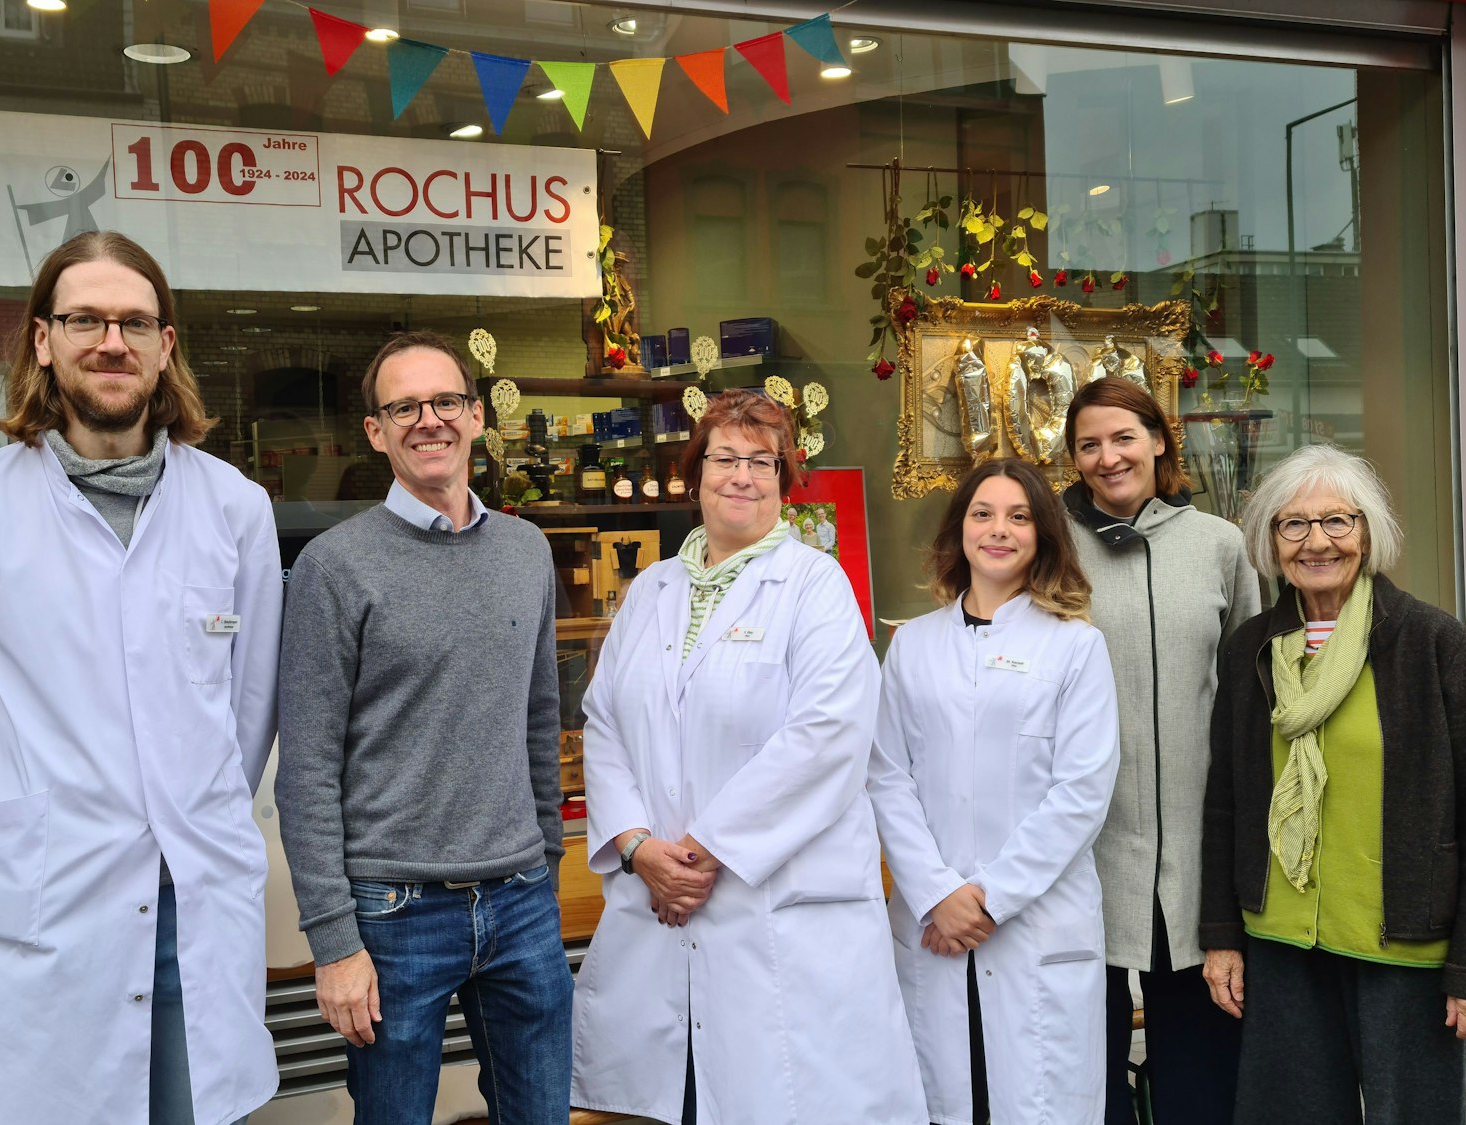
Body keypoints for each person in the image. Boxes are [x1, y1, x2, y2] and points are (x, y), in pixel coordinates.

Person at [0, 231, 284, 1125]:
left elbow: (250, 710)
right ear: (43, 339)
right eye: (85, 319)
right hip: (38, 901)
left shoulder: (236, 507)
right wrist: (17, 826)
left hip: (189, 900)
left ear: (165, 347)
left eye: (135, 322)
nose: (111, 342)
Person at [571, 388, 928, 1125]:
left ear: (782, 478)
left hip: (778, 919)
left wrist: (697, 855)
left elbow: (826, 735)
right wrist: (639, 848)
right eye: (724, 457)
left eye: (761, 461)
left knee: (782, 1101)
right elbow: (602, 723)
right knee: (681, 1100)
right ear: (694, 474)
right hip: (661, 909)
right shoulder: (650, 590)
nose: (742, 475)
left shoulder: (816, 587)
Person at [275, 330, 569, 1124]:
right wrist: (334, 940)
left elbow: (540, 717)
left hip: (520, 900)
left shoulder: (526, 550)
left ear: (476, 417)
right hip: (393, 911)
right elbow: (305, 767)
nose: (427, 420)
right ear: (375, 431)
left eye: (444, 402)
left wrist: (545, 855)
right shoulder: (335, 567)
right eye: (403, 406)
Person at [1199, 444, 1466, 1124]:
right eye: (1293, 524)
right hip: (1282, 945)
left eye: (1338, 521)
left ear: (1368, 533)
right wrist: (1221, 933)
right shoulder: (1251, 646)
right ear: (1270, 540)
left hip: (1404, 944)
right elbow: (1226, 799)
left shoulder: (1434, 643)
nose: (1317, 541)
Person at [870, 457, 1120, 1125]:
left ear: (1043, 535)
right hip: (933, 926)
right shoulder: (912, 645)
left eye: (1019, 516)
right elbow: (886, 775)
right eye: (983, 513)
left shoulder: (1076, 646)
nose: (998, 529)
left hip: (1032, 923)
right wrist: (937, 894)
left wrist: (987, 897)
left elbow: (1081, 792)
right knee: (945, 1100)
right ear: (959, 531)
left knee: (1036, 1101)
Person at [1061, 377, 1260, 1123]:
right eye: (1089, 444)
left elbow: (1246, 688)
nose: (1109, 456)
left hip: (1195, 851)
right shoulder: (1048, 540)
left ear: (1159, 439)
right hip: (1083, 845)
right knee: (1086, 1070)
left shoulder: (1219, 544)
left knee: (1201, 1073)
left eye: (1123, 437)